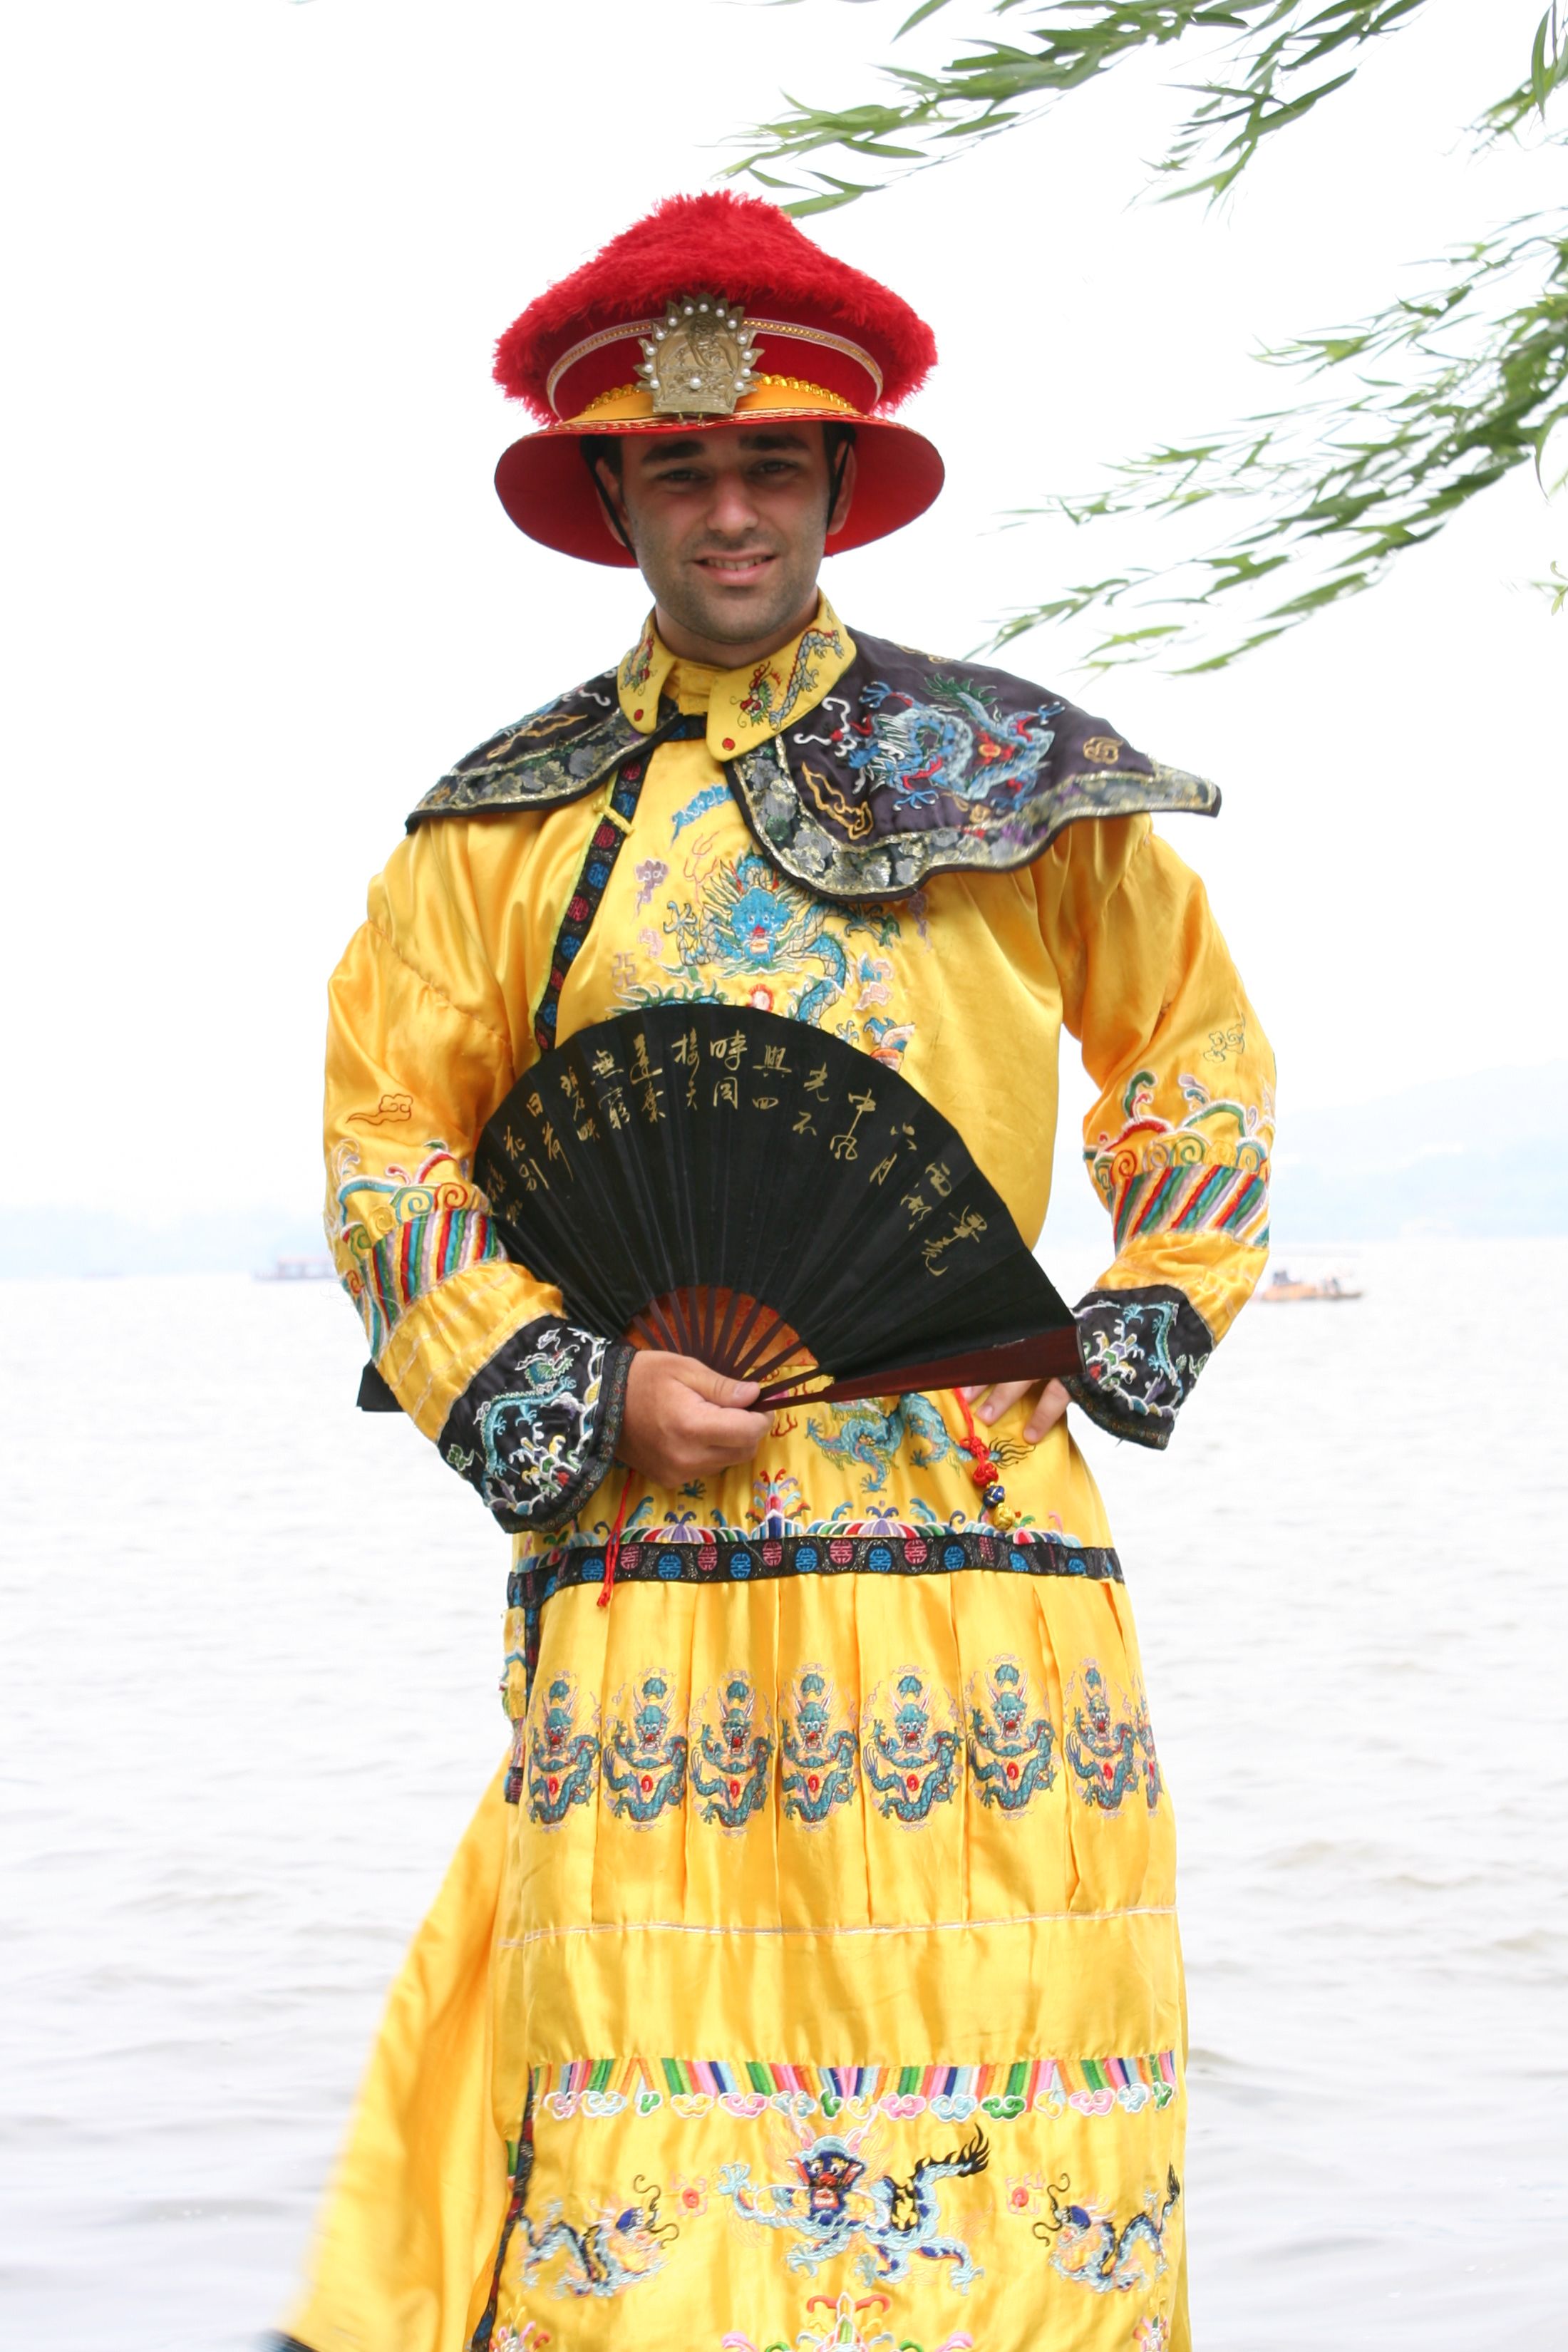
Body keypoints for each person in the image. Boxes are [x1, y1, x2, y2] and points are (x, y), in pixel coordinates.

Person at [284, 190, 1274, 2352]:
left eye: (766, 464)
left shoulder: (1023, 784)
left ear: (836, 480)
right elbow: (383, 1144)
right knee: (638, 2082)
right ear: (613, 498)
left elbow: (1191, 1061)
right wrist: (577, 1385)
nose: (728, 509)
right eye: (680, 469)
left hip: (973, 1521)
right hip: (652, 1546)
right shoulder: (501, 831)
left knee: (1016, 2051)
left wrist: (1135, 1307)